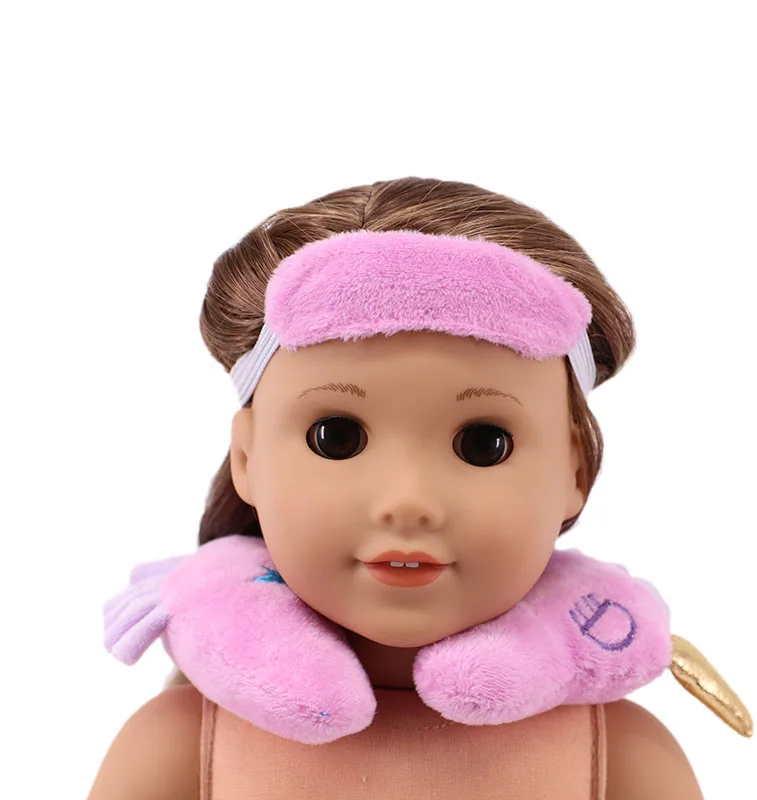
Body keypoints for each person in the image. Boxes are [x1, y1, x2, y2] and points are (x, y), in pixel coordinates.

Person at [89, 177, 711, 799]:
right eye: (336, 437)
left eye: (484, 443)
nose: (408, 502)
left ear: (574, 472)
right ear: (247, 458)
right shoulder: (175, 749)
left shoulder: (626, 758)